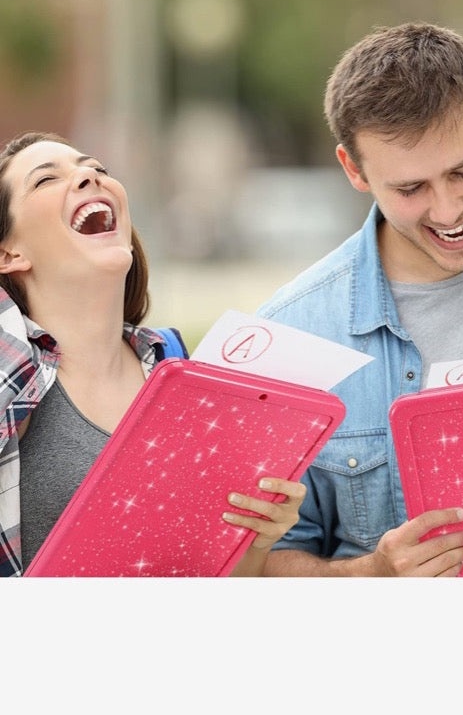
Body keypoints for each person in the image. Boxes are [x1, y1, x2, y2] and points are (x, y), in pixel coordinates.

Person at [257, 21, 463, 577]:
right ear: (353, 168)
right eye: (410, 189)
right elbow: (254, 567)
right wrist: (375, 575)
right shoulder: (293, 337)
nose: (447, 210)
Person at [0, 131, 306, 578]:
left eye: (98, 169)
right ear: (9, 252)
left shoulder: (179, 371)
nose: (89, 176)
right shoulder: (11, 378)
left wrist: (256, 540)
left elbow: (223, 579)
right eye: (46, 180)